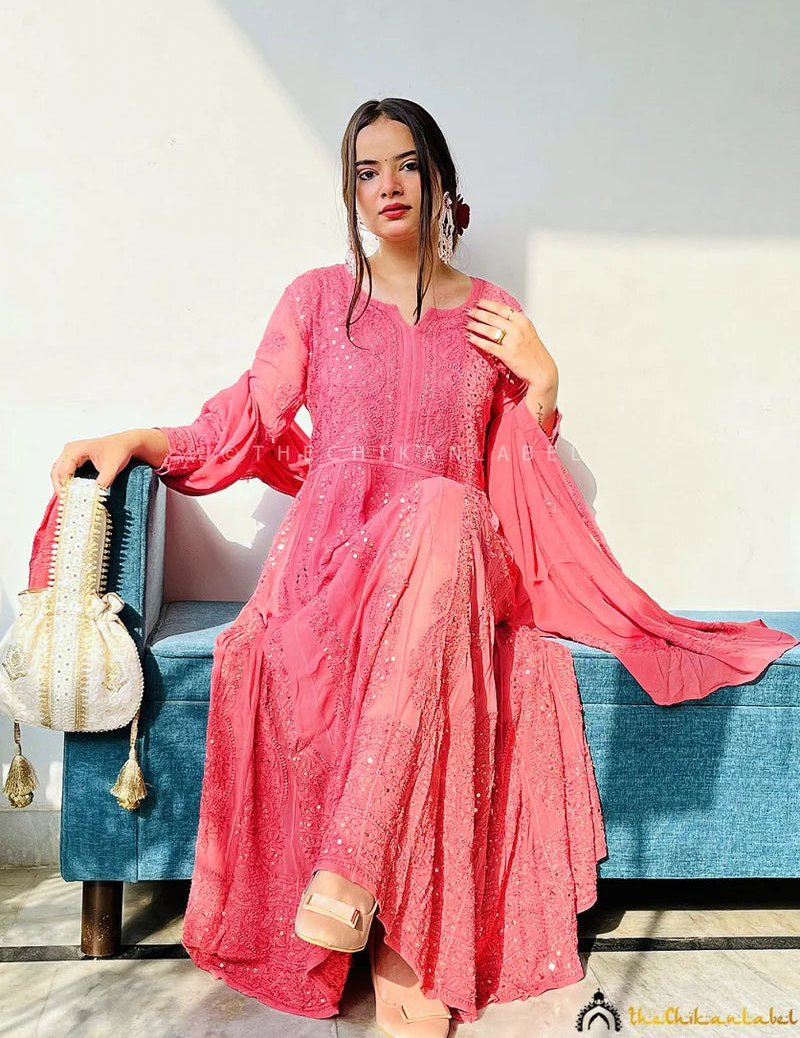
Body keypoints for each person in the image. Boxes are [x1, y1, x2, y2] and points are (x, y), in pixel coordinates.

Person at [49, 98, 798, 1036]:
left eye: (406, 165)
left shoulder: (493, 317)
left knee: (446, 505)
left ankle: (357, 879)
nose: (388, 186)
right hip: (336, 569)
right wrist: (138, 439)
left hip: (454, 567)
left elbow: (516, 480)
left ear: (440, 179)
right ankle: (390, 926)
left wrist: (544, 383)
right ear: (351, 193)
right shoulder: (316, 301)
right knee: (426, 540)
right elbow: (247, 418)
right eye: (366, 172)